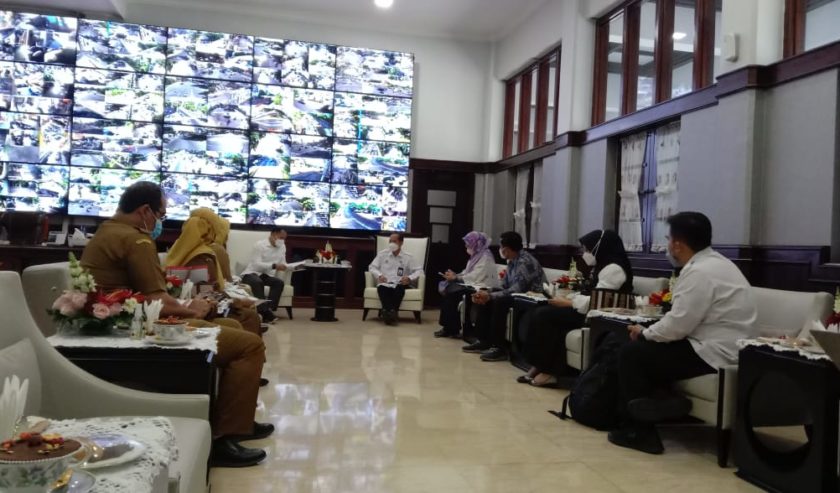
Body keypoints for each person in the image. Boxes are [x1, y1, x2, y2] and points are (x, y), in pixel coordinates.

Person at [80, 182, 273, 468]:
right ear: (145, 211)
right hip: (137, 327)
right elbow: (155, 298)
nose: (161, 222)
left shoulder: (109, 231)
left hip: (128, 319)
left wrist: (190, 306)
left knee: (230, 322)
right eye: (161, 215)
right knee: (249, 346)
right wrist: (190, 308)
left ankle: (235, 420)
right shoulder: (136, 240)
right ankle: (223, 438)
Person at [608, 212, 758, 455]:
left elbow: (678, 325)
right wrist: (651, 334)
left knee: (632, 353)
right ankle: (664, 401)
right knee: (649, 351)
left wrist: (645, 334)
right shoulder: (720, 264)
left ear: (677, 244)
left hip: (715, 352)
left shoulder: (699, 272)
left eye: (668, 239)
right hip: (727, 347)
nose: (668, 245)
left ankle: (640, 432)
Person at [518, 229, 634, 387]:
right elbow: (590, 292)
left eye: (587, 249)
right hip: (587, 310)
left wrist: (569, 303)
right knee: (543, 312)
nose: (585, 253)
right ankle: (541, 365)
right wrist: (569, 298)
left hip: (600, 317)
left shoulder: (614, 269)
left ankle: (547, 370)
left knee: (544, 315)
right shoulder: (602, 265)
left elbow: (600, 299)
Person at [164, 209, 262, 336]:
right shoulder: (204, 256)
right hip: (199, 312)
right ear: (211, 229)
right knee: (250, 316)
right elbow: (207, 295)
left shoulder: (177, 248)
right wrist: (238, 302)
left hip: (179, 308)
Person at [465, 231, 546, 361]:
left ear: (507, 249)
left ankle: (499, 348)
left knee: (499, 301)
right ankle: (483, 340)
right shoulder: (513, 261)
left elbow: (517, 289)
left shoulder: (525, 262)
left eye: (501, 246)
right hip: (517, 295)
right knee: (487, 296)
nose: (500, 249)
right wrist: (487, 292)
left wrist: (491, 296)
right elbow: (504, 284)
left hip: (529, 298)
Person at [434, 231, 499, 338]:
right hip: (472, 284)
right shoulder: (476, 255)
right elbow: (467, 271)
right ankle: (449, 328)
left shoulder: (486, 257)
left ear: (476, 243)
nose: (466, 246)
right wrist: (456, 275)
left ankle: (451, 328)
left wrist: (457, 278)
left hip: (482, 286)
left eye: (469, 244)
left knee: (452, 292)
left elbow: (477, 275)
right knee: (449, 289)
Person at [368, 233, 423, 326]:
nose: (391, 243)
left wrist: (409, 278)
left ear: (401, 243)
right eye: (390, 241)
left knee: (399, 289)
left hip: (400, 283)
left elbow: (419, 271)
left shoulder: (408, 257)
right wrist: (379, 275)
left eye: (394, 241)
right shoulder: (382, 254)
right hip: (385, 282)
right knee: (382, 289)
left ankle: (388, 312)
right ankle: (391, 313)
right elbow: (372, 267)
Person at [240, 228, 288, 322]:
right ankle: (264, 312)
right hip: (251, 273)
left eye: (284, 239)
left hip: (266, 275)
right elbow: (256, 264)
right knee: (258, 282)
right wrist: (274, 266)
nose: (282, 241)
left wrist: (288, 267)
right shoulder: (260, 245)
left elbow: (283, 262)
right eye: (281, 238)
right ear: (273, 235)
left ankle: (268, 310)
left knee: (279, 283)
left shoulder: (282, 247)